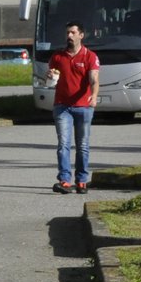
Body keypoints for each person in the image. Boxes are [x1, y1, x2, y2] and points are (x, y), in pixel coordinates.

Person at [48, 21, 100, 194]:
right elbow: (51, 78)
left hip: (84, 107)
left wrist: (94, 94)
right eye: (67, 33)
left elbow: (94, 79)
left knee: (82, 145)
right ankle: (64, 181)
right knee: (63, 144)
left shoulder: (89, 56)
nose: (69, 36)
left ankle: (82, 181)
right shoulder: (58, 56)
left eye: (72, 33)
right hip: (62, 107)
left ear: (81, 35)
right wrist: (48, 76)